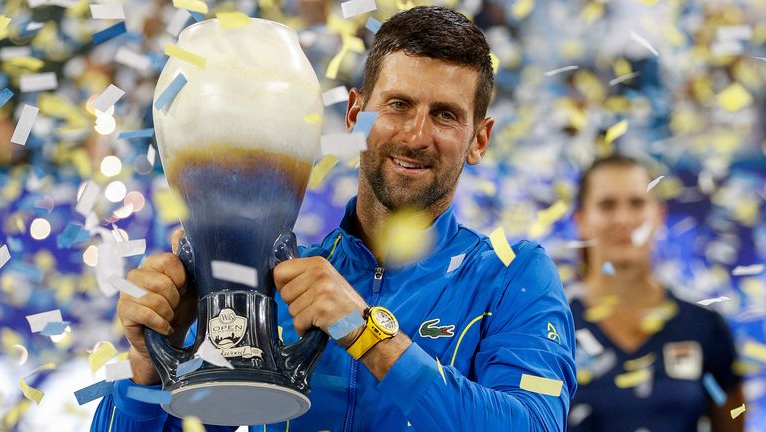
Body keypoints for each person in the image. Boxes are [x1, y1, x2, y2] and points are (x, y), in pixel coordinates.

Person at [91, 6, 577, 431]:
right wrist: (149, 366)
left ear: (479, 139)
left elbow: (534, 423)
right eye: (398, 105)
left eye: (446, 115)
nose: (416, 135)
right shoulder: (274, 282)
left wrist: (370, 335)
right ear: (354, 114)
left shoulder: (514, 275)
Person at [567, 155, 744, 432]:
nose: (623, 219)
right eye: (607, 205)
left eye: (637, 203)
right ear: (581, 220)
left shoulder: (704, 328)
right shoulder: (550, 329)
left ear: (659, 215)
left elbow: (733, 421)